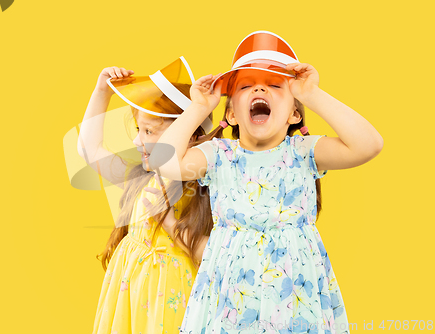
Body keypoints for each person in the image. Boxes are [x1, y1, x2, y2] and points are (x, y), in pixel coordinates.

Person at [150, 31, 383, 333]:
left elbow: (370, 144)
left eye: (275, 85)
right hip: (230, 296)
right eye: (246, 85)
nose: (260, 87)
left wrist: (312, 94)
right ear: (232, 113)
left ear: (293, 113)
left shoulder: (303, 152)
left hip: (294, 294)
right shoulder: (219, 155)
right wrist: (198, 108)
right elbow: (163, 162)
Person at [77, 57, 213, 334]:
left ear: (187, 135)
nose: (137, 140)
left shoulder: (205, 187)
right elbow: (88, 149)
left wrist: (171, 225)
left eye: (149, 131)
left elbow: (215, 253)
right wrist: (102, 91)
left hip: (174, 301)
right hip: (130, 295)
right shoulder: (142, 175)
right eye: (139, 129)